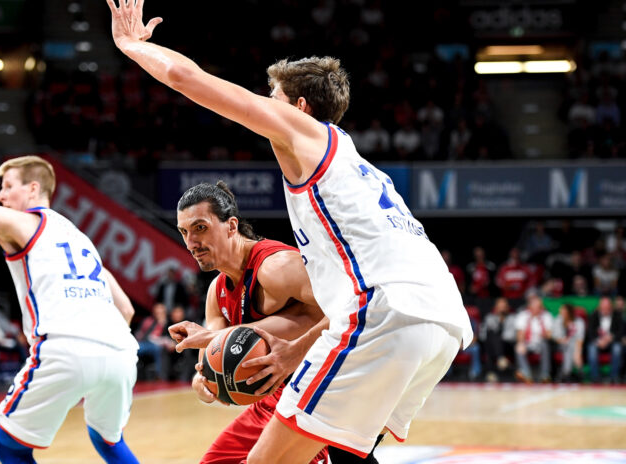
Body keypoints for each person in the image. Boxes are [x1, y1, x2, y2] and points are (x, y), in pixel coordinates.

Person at [107, 2, 473, 462]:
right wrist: (289, 349)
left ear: (299, 108)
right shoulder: (357, 167)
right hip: (442, 321)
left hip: (386, 311)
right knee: (343, 453)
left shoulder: (307, 136)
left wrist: (132, 46)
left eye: (273, 97)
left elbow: (188, 78)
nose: (266, 106)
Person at [0, 155, 140, 463]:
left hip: (66, 348)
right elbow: (127, 310)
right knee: (108, 439)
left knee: (9, 447)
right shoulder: (81, 240)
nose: (1, 195)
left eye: (8, 186)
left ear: (32, 189)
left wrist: (82, 360)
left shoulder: (22, 222)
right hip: (121, 352)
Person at [168, 182, 369, 464]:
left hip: (327, 387)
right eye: (184, 232)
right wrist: (202, 384)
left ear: (231, 226)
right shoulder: (217, 292)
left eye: (200, 228)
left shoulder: (277, 267)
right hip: (277, 397)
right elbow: (209, 362)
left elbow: (355, 305)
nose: (191, 243)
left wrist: (290, 344)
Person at [514, 295, 553, 383]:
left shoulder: (546, 315)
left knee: (545, 345)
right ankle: (526, 374)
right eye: (535, 307)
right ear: (530, 307)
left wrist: (544, 334)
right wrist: (521, 343)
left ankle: (545, 375)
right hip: (528, 342)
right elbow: (520, 333)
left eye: (539, 307)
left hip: (541, 342)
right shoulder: (523, 315)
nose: (537, 309)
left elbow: (549, 334)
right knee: (518, 347)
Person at [587, 297, 623, 383]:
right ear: (600, 307)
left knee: (617, 348)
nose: (605, 309)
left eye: (607, 307)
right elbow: (590, 332)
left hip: (612, 341)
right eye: (603, 307)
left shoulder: (617, 315)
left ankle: (614, 377)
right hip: (598, 342)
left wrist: (610, 338)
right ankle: (595, 377)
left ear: (611, 307)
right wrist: (599, 341)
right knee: (591, 349)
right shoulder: (593, 315)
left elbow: (621, 331)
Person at [135, 302, 175, 380]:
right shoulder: (149, 321)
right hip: (145, 343)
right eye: (156, 312)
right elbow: (142, 334)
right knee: (135, 348)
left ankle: (159, 375)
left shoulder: (168, 323)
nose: (158, 313)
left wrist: (162, 324)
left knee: (158, 349)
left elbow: (169, 338)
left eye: (160, 312)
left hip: (159, 346)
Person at [552, 303, 585, 383]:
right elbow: (555, 337)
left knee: (570, 345)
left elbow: (580, 339)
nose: (561, 314)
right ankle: (578, 370)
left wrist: (578, 353)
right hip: (559, 345)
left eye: (564, 312)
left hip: (574, 347)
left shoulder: (579, 322)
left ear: (570, 313)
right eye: (561, 312)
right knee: (568, 344)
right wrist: (562, 340)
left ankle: (566, 372)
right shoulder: (558, 320)